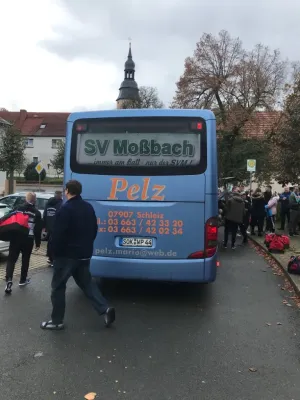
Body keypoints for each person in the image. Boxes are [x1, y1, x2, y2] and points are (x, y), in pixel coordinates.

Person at [41, 180, 115, 331]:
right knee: (87, 284)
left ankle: (56, 321)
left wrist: (53, 252)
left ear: (67, 190)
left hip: (66, 256)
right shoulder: (88, 207)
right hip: (84, 255)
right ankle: (105, 308)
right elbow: (94, 229)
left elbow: (58, 234)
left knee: (58, 287)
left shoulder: (65, 209)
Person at [5, 192, 42, 294]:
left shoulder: (18, 208)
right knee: (25, 260)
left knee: (11, 259)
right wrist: (38, 243)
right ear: (34, 200)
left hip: (16, 238)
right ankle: (22, 280)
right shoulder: (37, 213)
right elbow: (38, 230)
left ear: (26, 199)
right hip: (28, 239)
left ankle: (9, 280)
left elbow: (10, 220)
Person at [43, 191, 63, 267]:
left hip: (49, 227)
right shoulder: (61, 204)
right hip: (57, 227)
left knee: (50, 243)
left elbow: (45, 214)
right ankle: (54, 259)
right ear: (60, 195)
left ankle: (50, 258)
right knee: (55, 243)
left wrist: (45, 226)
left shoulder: (48, 203)